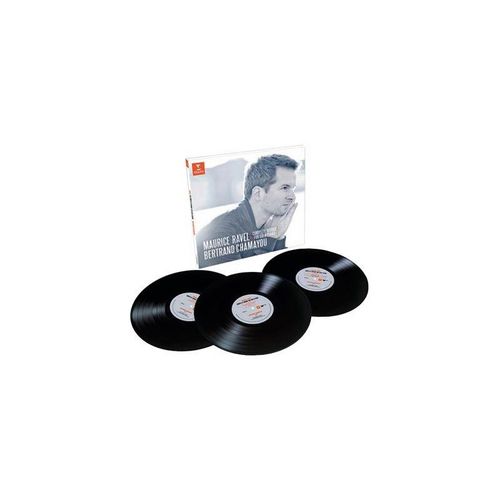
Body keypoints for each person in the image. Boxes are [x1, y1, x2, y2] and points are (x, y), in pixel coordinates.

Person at [196, 154, 299, 267]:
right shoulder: (221, 234)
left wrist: (278, 236)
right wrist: (271, 238)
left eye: (293, 189)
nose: (292, 197)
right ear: (258, 194)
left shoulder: (268, 226)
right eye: (285, 188)